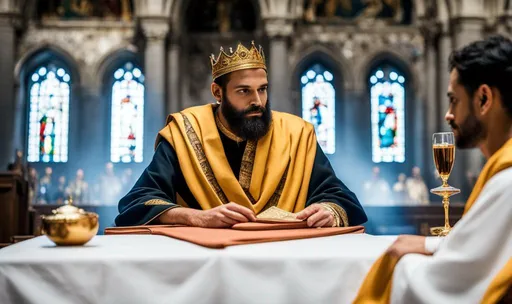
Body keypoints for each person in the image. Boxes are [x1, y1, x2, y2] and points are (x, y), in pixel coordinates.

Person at [116, 41, 367, 228]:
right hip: (208, 257)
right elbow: (139, 201)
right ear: (218, 92)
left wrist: (328, 210)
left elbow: (337, 196)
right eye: (244, 91)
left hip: (284, 256)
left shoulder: (296, 134)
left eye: (263, 89)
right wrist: (196, 216)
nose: (257, 101)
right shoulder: (185, 132)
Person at [354, 35, 512, 303]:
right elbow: (482, 251)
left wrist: (399, 258)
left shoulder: (506, 184)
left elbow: (443, 286)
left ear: (484, 99)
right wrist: (430, 244)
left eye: (454, 100)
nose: (448, 114)